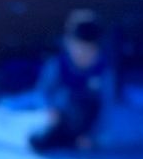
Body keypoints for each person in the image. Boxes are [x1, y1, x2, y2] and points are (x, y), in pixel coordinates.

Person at [31, 10, 111, 151]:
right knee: (40, 139)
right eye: (78, 48)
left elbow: (106, 104)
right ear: (68, 44)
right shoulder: (57, 65)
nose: (83, 55)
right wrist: (50, 109)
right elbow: (43, 91)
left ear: (98, 50)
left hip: (87, 121)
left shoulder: (102, 71)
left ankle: (82, 139)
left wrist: (92, 133)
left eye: (89, 50)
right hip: (62, 116)